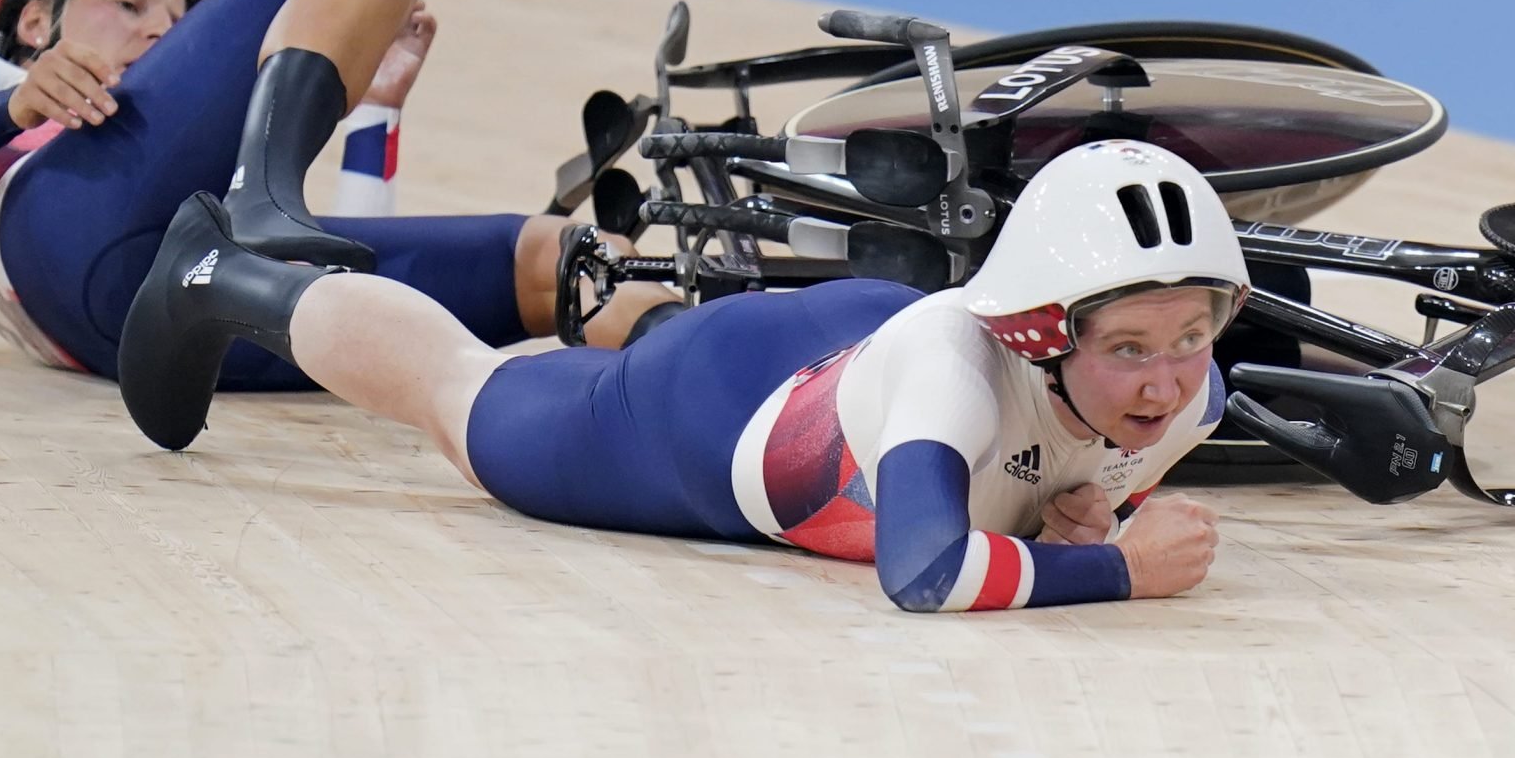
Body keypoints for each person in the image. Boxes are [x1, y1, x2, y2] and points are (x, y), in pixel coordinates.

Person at [119, 138, 1239, 611]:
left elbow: (1057, 481)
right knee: (462, 398)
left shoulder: (1194, 392)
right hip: (711, 418)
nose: (1165, 381)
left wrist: (1080, 518)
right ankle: (218, 271)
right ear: (1042, 330)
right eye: (1129, 350)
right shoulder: (953, 370)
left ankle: (626, 319)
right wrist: (1122, 572)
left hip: (841, 356)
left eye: (1188, 337)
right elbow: (924, 573)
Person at [0, 0, 665, 386]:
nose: (158, 32)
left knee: (566, 258)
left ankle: (714, 369)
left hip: (164, 321)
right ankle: (257, 196)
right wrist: (10, 107)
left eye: (174, 22)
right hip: (59, 232)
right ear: (34, 19)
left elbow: (344, 260)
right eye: (129, 3)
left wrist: (376, 111)